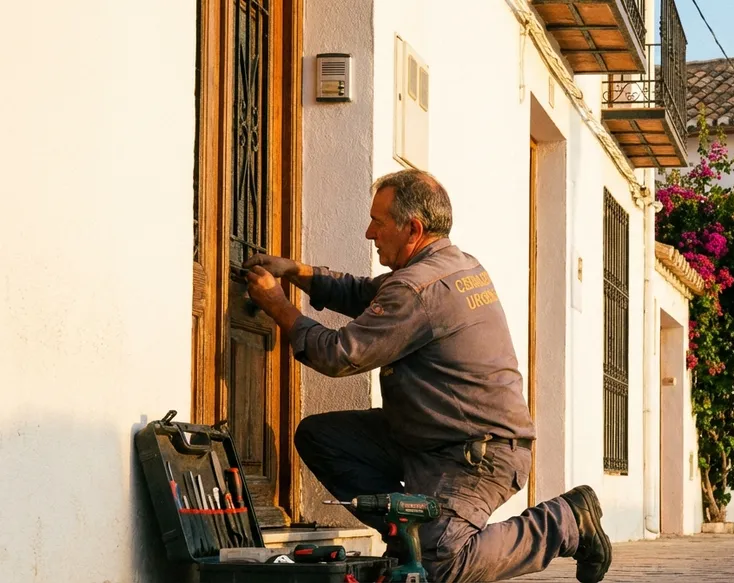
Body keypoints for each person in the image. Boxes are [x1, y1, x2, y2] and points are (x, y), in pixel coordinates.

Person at [243, 169, 611, 583]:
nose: (369, 232)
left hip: (477, 454)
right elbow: (365, 293)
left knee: (441, 566)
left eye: (378, 222)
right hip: (428, 435)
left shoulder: (418, 288)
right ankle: (410, 536)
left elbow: (339, 355)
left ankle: (565, 522)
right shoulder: (449, 265)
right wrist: (297, 271)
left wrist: (276, 303)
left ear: (413, 228)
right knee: (322, 437)